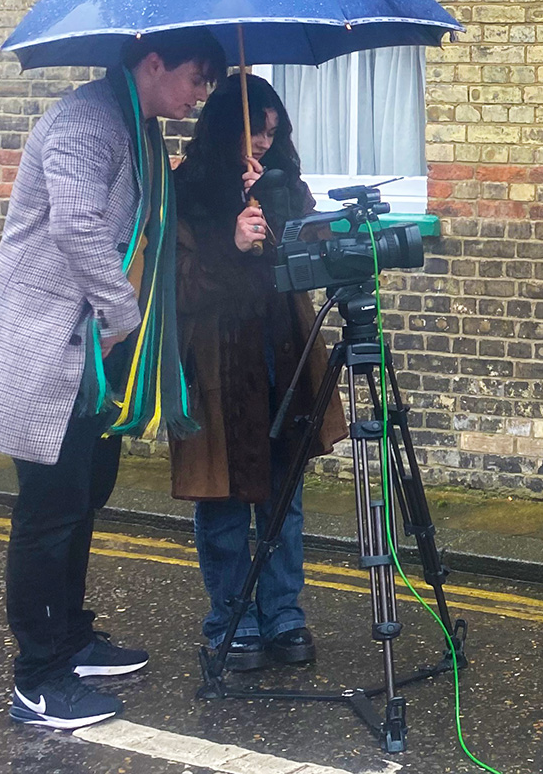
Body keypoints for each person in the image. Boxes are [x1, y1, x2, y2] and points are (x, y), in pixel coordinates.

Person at [0, 28, 226, 730]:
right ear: (154, 62)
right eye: (199, 78)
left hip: (95, 355)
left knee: (84, 496)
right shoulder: (85, 121)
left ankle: (72, 637)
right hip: (48, 345)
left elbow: (160, 223)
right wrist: (125, 313)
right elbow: (78, 227)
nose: (202, 95)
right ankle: (38, 677)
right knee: (49, 509)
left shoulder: (137, 129)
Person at [170, 74, 345, 671]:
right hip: (217, 359)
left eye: (274, 132)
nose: (266, 142)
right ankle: (231, 617)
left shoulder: (280, 185)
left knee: (282, 492)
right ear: (226, 125)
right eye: (255, 130)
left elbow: (309, 263)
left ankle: (282, 613)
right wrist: (230, 241)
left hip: (280, 350)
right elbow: (178, 288)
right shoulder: (184, 189)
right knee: (222, 494)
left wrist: (275, 204)